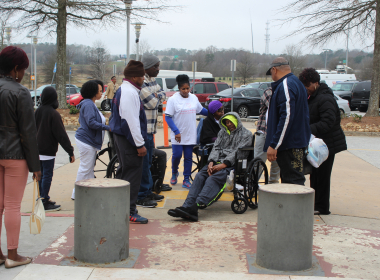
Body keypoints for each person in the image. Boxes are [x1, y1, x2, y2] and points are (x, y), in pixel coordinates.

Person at [167, 113, 253, 221]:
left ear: (237, 121)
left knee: (213, 178)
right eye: (227, 122)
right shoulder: (222, 132)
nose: (229, 124)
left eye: (231, 122)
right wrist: (211, 162)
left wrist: (223, 164)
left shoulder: (246, 134)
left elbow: (239, 152)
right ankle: (186, 206)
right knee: (200, 175)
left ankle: (195, 207)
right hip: (217, 161)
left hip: (232, 164)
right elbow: (216, 147)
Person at [0, 46, 41, 268]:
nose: (23, 73)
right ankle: (13, 255)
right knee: (13, 205)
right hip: (15, 155)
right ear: (16, 69)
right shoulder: (21, 92)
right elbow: (28, 132)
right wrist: (36, 166)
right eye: (23, 69)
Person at [299, 68, 347, 215]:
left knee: (323, 176)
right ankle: (316, 204)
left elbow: (328, 123)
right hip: (318, 144)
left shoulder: (325, 98)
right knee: (316, 174)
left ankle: (322, 207)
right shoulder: (314, 97)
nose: (306, 89)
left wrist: (307, 128)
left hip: (326, 145)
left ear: (315, 83)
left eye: (307, 85)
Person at [109, 60, 149, 224]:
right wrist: (139, 145)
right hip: (128, 140)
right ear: (134, 77)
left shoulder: (126, 89)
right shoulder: (129, 92)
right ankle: (129, 211)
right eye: (141, 76)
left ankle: (119, 207)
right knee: (132, 174)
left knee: (124, 173)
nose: (143, 79)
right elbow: (130, 121)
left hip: (122, 138)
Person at [264, 57, 311, 186]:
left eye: (271, 73)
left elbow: (287, 117)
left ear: (274, 70)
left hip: (289, 145)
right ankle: (294, 205)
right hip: (295, 143)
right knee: (292, 180)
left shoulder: (286, 84)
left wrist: (274, 145)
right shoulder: (296, 83)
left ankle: (296, 206)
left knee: (292, 182)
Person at [35, 86, 75, 211]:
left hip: (36, 150)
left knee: (39, 175)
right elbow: (61, 135)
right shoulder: (53, 113)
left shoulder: (37, 111)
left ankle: (41, 198)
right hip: (48, 150)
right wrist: (70, 151)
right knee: (47, 175)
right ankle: (44, 200)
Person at [165, 74, 208, 189]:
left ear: (190, 88)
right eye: (183, 89)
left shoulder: (193, 98)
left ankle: (186, 179)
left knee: (188, 157)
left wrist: (213, 112)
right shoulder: (173, 99)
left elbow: (201, 110)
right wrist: (176, 131)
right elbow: (168, 117)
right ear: (179, 88)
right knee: (177, 155)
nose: (185, 91)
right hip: (178, 134)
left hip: (190, 134)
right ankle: (174, 172)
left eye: (187, 88)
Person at [136, 54, 167, 208]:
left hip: (151, 130)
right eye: (155, 66)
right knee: (144, 163)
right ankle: (142, 195)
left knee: (148, 162)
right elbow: (152, 103)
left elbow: (163, 94)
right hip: (144, 130)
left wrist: (156, 95)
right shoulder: (142, 81)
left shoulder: (152, 80)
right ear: (147, 67)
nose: (158, 69)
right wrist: (156, 95)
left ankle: (148, 191)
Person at [71, 80, 111, 200]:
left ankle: (87, 191)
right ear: (93, 93)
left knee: (88, 169)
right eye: (99, 91)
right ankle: (76, 193)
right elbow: (91, 122)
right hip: (86, 141)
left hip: (89, 141)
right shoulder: (88, 104)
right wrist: (108, 128)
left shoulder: (90, 103)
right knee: (85, 168)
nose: (102, 93)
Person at [254, 88, 281, 183]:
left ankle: (273, 185)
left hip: (277, 134)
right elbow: (275, 106)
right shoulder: (269, 92)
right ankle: (252, 184)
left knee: (276, 162)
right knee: (259, 161)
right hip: (264, 132)